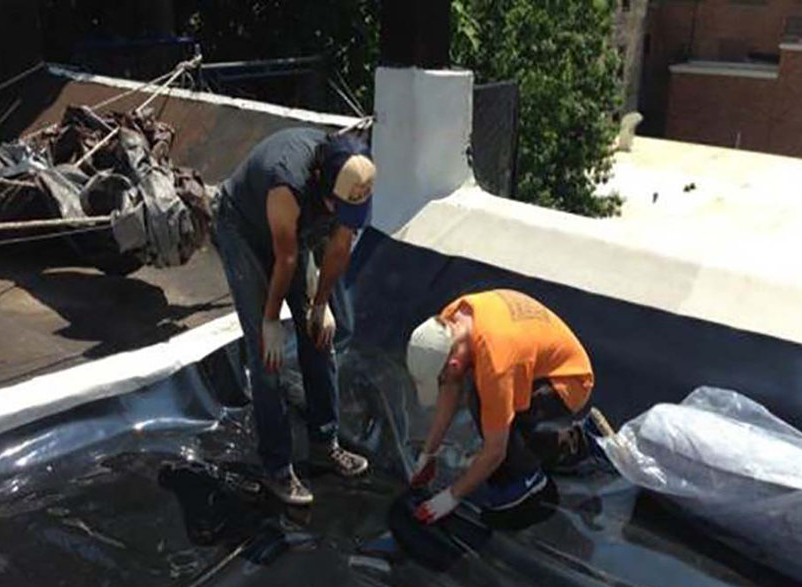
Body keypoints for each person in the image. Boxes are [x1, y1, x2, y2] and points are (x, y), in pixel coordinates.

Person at [213, 127, 373, 506]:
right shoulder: (287, 181)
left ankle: (324, 441)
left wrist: (321, 304)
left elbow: (339, 247)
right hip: (245, 230)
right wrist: (269, 321)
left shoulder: (354, 177)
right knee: (267, 356)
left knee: (319, 336)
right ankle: (277, 468)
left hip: (295, 231)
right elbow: (284, 258)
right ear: (322, 184)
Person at [405, 289, 615, 524]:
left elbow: (496, 450)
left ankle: (527, 480)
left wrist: (449, 498)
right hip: (536, 360)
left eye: (440, 379)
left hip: (568, 380)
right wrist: (429, 452)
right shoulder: (447, 324)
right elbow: (450, 387)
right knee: (494, 414)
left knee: (496, 425)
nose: (443, 385)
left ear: (453, 364)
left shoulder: (496, 364)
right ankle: (582, 440)